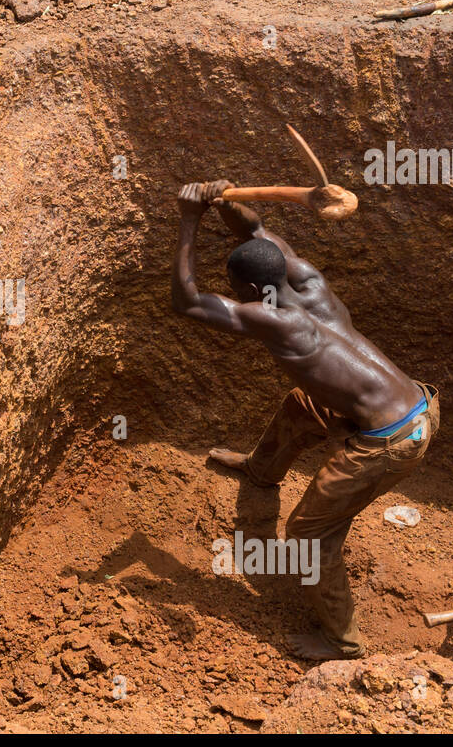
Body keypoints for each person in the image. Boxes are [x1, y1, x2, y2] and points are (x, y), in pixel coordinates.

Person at [170, 180, 439, 660]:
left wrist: (189, 219)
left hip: (391, 441)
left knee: (306, 534)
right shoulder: (303, 274)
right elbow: (254, 229)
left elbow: (187, 302)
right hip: (416, 403)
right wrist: (223, 200)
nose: (238, 296)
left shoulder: (273, 319)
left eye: (238, 291)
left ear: (252, 291)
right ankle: (261, 470)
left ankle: (344, 641)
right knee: (303, 403)